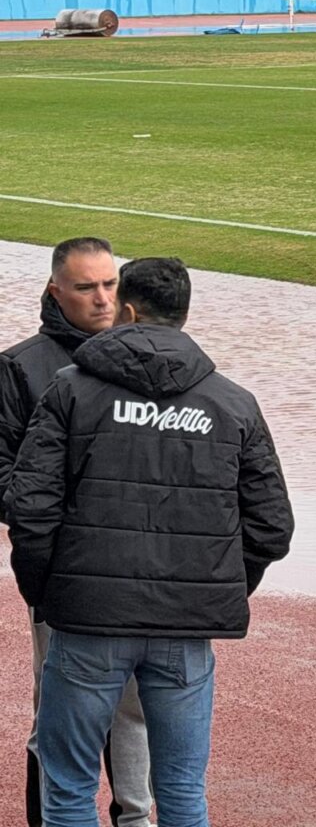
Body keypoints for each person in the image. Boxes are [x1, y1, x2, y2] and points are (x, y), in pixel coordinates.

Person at [4, 257, 295, 827]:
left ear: (128, 311)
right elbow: (271, 527)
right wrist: (208, 592)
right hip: (183, 631)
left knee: (69, 789)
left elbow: (29, 508)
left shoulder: (70, 390)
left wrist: (49, 594)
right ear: (183, 315)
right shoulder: (234, 403)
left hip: (87, 622)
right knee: (182, 791)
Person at [0, 238, 153, 827]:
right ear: (55, 291)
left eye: (110, 284)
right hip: (59, 568)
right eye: (87, 287)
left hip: (135, 566)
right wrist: (66, 521)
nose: (103, 299)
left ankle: (134, 817)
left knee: (133, 709)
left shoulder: (148, 361)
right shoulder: (21, 366)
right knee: (59, 710)